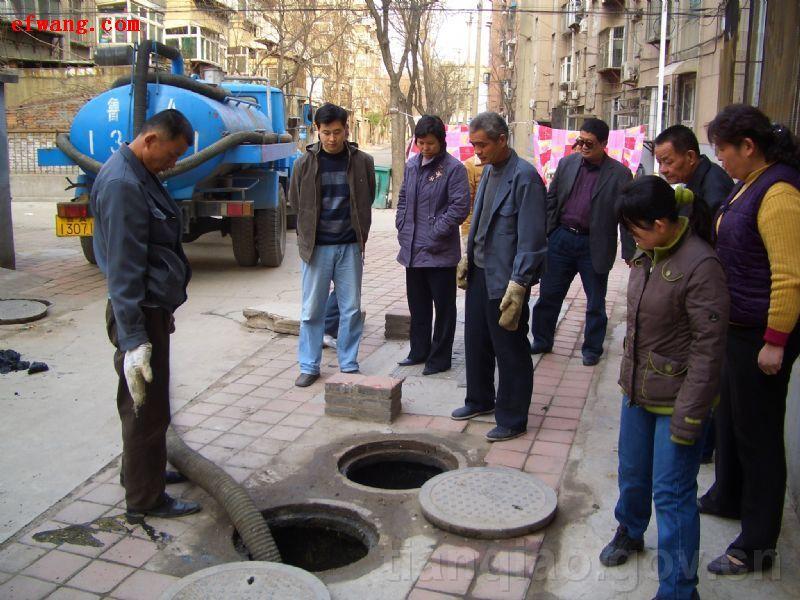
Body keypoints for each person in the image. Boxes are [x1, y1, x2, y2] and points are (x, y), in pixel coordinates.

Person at [600, 177, 728, 600]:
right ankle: (630, 530)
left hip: (678, 401)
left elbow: (709, 352)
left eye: (636, 230)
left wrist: (691, 415)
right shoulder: (648, 253)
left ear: (660, 222)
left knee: (672, 496)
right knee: (633, 474)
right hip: (638, 391)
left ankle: (679, 588)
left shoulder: (701, 266)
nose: (632, 239)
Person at [698, 104, 800, 575]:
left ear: (748, 147)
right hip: (736, 328)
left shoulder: (779, 192)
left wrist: (776, 339)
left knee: (759, 437)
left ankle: (757, 545)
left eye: (723, 150)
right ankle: (727, 495)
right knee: (731, 420)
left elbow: (789, 277)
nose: (719, 159)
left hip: (762, 333)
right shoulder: (748, 183)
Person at [91, 109, 201, 519]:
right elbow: (123, 270)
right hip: (138, 314)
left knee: (147, 406)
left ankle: (143, 473)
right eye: (170, 155)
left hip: (149, 309)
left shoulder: (139, 172)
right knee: (145, 410)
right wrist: (135, 339)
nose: (172, 163)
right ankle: (145, 499)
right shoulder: (123, 184)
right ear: (150, 140)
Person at [450, 112, 547, 442]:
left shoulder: (525, 178)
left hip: (506, 281)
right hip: (480, 273)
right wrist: (467, 258)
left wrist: (520, 284)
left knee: (510, 349)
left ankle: (513, 417)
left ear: (502, 139)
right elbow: (480, 221)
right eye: (474, 144)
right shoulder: (489, 171)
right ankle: (479, 399)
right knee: (476, 341)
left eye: (483, 144)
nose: (477, 150)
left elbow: (532, 239)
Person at [654, 124, 735, 464]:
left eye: (668, 161)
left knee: (705, 373)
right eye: (659, 162)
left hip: (711, 295)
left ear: (690, 156)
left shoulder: (713, 186)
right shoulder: (695, 183)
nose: (664, 170)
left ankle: (703, 445)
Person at [531, 118, 634, 366]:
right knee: (548, 295)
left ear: (604, 144)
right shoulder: (567, 164)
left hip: (595, 245)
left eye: (589, 143)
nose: (583, 147)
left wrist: (630, 252)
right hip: (562, 239)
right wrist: (548, 232)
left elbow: (627, 215)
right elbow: (552, 199)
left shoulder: (620, 174)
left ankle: (592, 348)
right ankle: (542, 339)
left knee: (595, 302)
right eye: (580, 141)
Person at [291, 103, 375, 387]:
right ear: (318, 131)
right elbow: (295, 201)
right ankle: (309, 365)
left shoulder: (362, 162)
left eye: (337, 132)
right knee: (312, 310)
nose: (331, 139)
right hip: (316, 248)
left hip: (350, 246)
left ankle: (349, 363)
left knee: (351, 308)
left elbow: (368, 197)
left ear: (346, 130)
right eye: (326, 133)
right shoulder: (304, 163)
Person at [395, 115, 470, 375]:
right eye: (421, 143)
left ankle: (440, 358)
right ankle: (419, 351)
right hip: (413, 250)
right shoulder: (412, 164)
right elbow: (404, 197)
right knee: (418, 305)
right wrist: (401, 225)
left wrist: (435, 232)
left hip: (439, 252)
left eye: (430, 143)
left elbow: (459, 207)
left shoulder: (453, 169)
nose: (425, 148)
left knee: (444, 308)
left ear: (441, 142)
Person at [461, 153, 485, 238]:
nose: (478, 150)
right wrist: (467, 232)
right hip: (477, 227)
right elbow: (467, 202)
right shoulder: (471, 164)